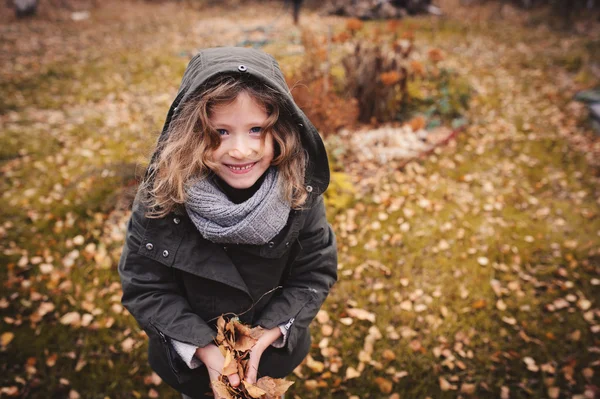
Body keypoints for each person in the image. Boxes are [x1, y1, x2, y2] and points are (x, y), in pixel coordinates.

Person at [118, 46, 338, 398]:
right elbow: (145, 285)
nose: (240, 150)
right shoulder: (162, 199)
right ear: (190, 133)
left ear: (281, 130)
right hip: (191, 362)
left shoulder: (299, 193)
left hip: (271, 359)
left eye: (256, 129)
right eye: (220, 131)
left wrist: (268, 334)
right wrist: (204, 350)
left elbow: (314, 273)